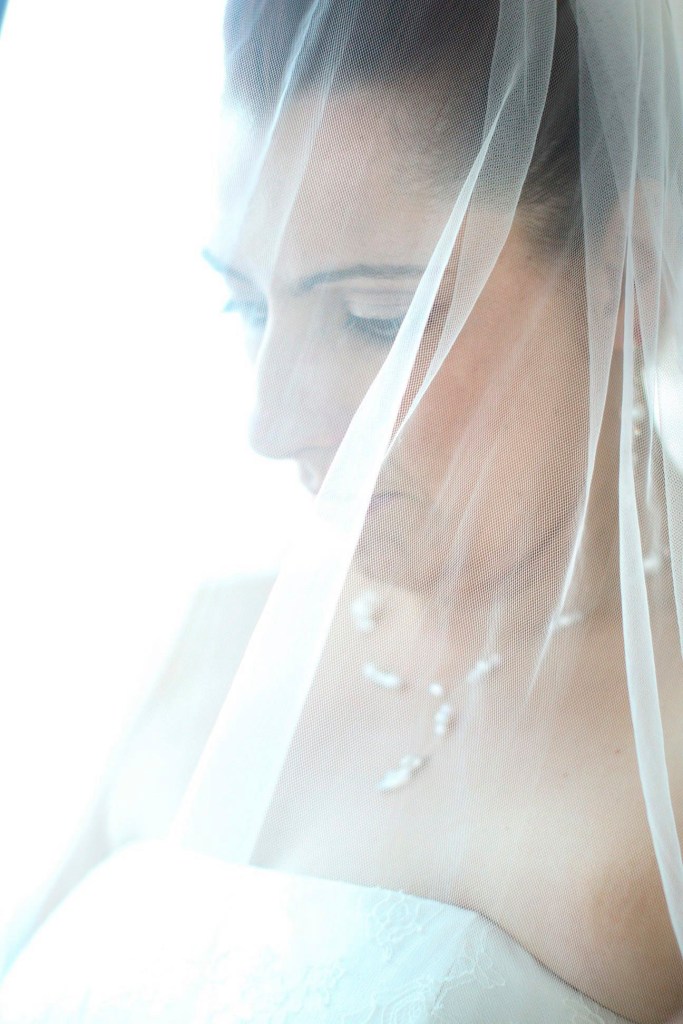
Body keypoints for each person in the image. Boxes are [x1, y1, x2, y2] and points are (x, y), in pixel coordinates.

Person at [0, 0, 682, 1020]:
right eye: (247, 306)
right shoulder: (211, 640)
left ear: (630, 276)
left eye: (374, 319)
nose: (270, 425)